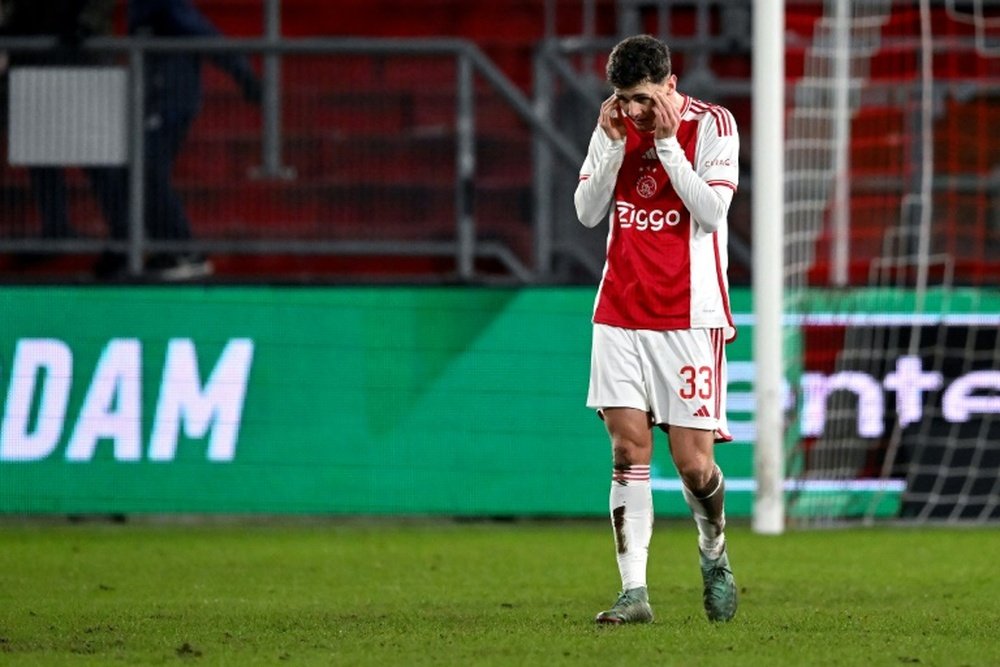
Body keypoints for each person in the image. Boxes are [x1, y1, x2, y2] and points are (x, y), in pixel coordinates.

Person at [574, 34, 740, 624]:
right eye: (623, 99)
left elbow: (712, 212)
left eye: (643, 99)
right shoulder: (614, 124)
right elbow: (588, 212)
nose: (634, 111)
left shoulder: (714, 124)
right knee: (626, 448)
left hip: (689, 317)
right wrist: (615, 148)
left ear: (670, 85)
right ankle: (634, 591)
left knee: (693, 464)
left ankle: (714, 552)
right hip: (619, 309)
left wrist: (667, 144)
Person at [124, 0, 261, 280]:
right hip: (157, 97)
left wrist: (243, 75)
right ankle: (168, 249)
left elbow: (204, 34)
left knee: (149, 171)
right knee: (144, 172)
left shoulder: (166, 7)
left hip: (171, 100)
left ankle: (184, 252)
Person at [0, 0, 128, 253]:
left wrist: (84, 29)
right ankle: (55, 227)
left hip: (81, 63)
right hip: (32, 63)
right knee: (40, 155)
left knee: (97, 156)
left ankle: (124, 233)